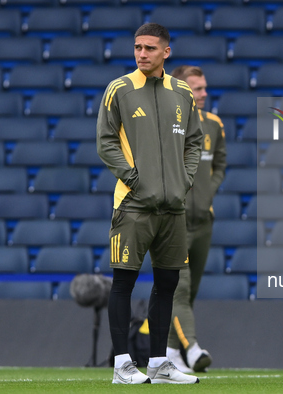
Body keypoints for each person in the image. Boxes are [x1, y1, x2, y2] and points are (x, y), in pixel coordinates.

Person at [97, 23, 202, 385]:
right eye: (138, 47)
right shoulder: (120, 89)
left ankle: (159, 364)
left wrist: (184, 180)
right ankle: (122, 365)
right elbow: (106, 141)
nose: (142, 53)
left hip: (173, 208)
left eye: (150, 48)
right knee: (123, 283)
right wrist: (133, 179)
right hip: (133, 206)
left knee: (168, 283)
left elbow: (194, 142)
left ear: (166, 53)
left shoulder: (183, 92)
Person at [166, 65, 227, 373]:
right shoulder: (165, 124)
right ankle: (192, 348)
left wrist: (206, 196)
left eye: (204, 88)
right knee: (179, 287)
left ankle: (170, 353)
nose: (204, 94)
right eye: (197, 88)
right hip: (172, 220)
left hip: (204, 220)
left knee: (189, 292)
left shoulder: (214, 124)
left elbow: (219, 165)